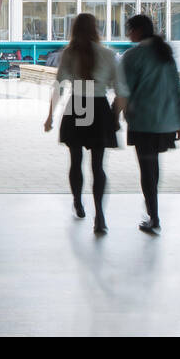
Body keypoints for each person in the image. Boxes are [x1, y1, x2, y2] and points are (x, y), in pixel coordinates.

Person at [43, 13, 127, 234]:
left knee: (75, 161)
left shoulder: (69, 53)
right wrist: (116, 116)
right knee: (98, 166)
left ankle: (78, 202)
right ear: (95, 29)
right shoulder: (109, 54)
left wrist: (50, 116)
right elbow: (121, 92)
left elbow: (59, 86)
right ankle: (99, 215)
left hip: (78, 104)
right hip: (98, 107)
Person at [120, 14, 180, 234]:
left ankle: (154, 216)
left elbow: (124, 91)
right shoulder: (164, 53)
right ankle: (153, 211)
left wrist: (115, 115)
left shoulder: (133, 56)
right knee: (153, 166)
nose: (128, 33)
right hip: (166, 121)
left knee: (147, 169)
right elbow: (177, 89)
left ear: (138, 30)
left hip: (143, 121)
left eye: (129, 29)